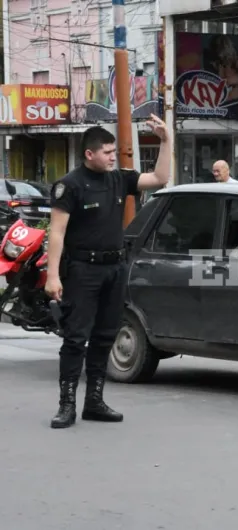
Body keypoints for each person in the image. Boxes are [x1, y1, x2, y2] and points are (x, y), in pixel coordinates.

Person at [46, 116, 172, 429]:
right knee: (76, 338)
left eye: (114, 151)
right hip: (82, 270)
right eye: (107, 152)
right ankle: (66, 404)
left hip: (115, 268)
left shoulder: (119, 179)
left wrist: (166, 140)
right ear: (90, 154)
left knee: (105, 337)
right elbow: (57, 233)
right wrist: (52, 276)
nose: (113, 156)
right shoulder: (69, 186)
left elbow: (159, 178)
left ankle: (95, 402)